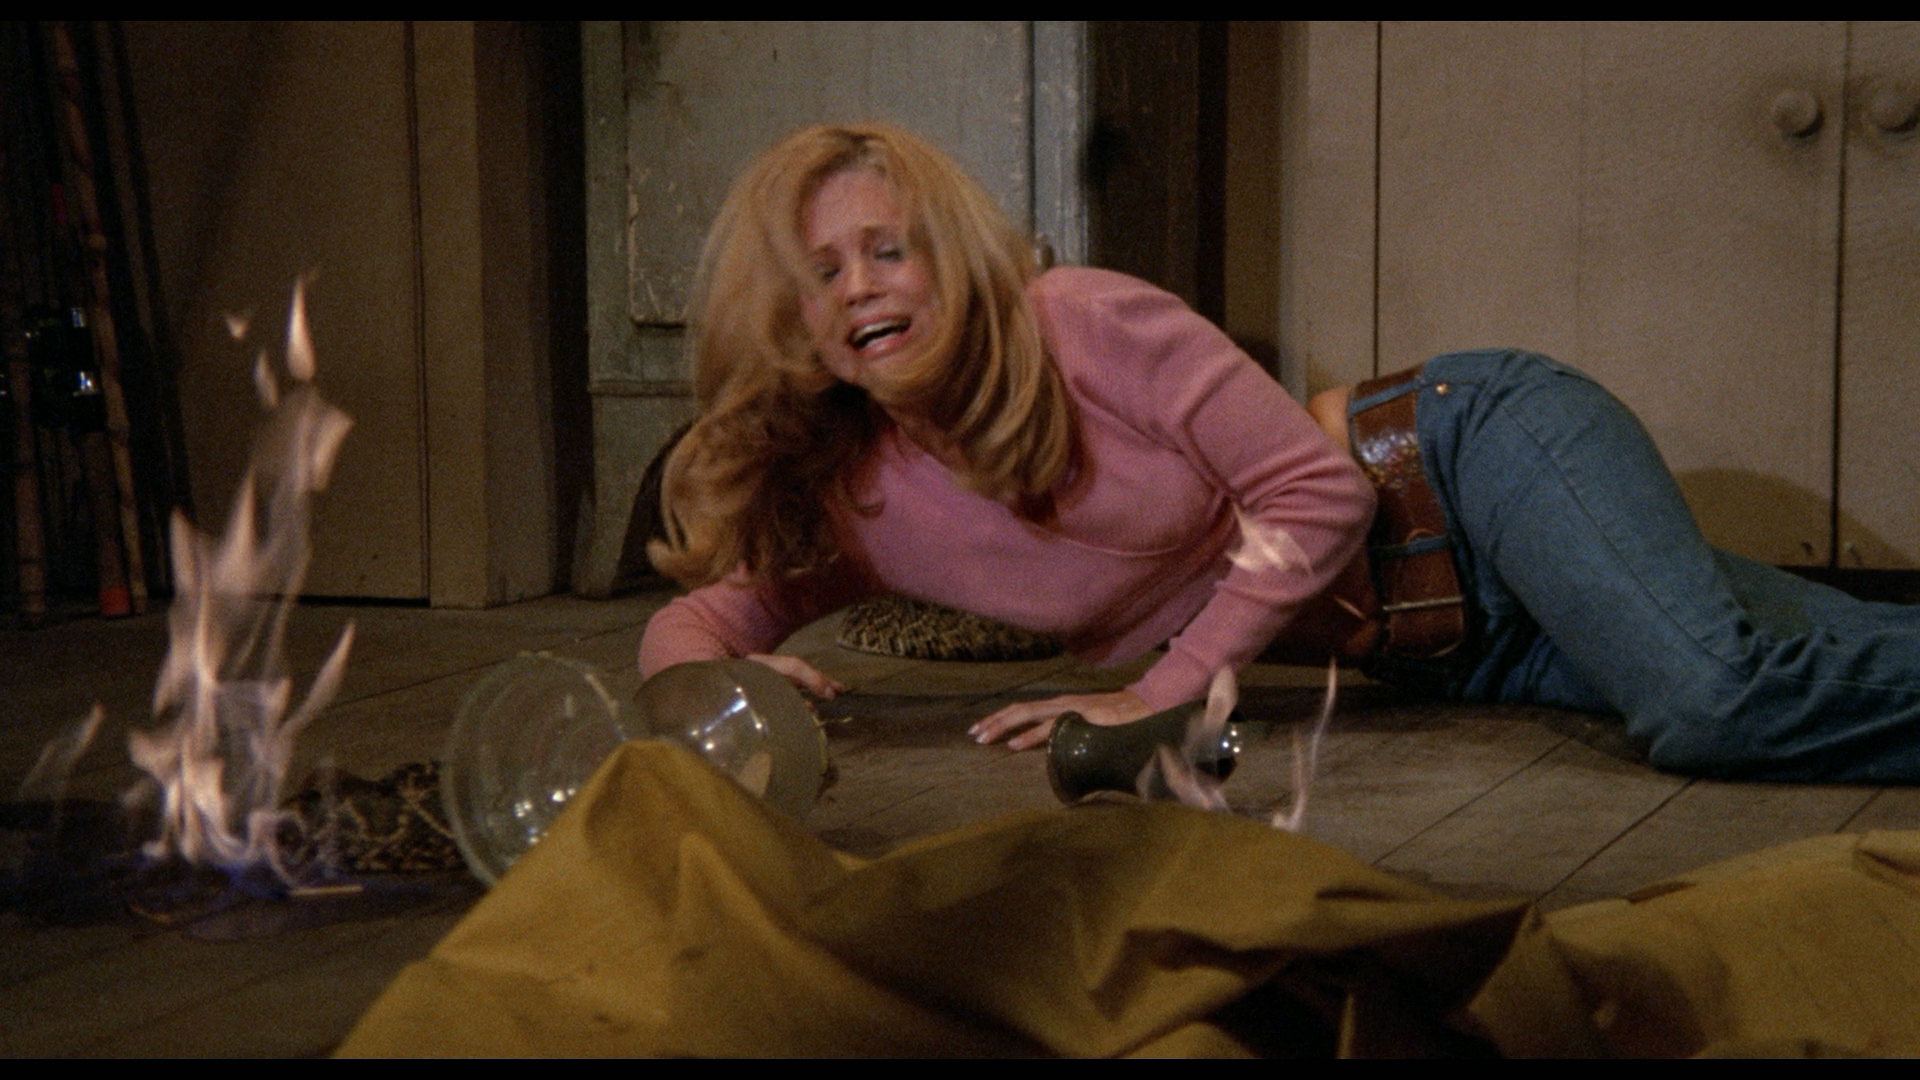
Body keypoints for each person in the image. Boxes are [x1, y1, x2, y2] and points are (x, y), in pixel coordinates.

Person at [641, 122, 1920, 785]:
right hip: (1450, 647)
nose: (862, 286)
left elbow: (1315, 492)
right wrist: (717, 682)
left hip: (1469, 462)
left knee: (1713, 704)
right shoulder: (858, 498)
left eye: (889, 249)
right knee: (1825, 664)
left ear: (952, 254)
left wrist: (1161, 690)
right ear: (791, 319)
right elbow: (696, 622)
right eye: (822, 272)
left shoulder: (1076, 322)